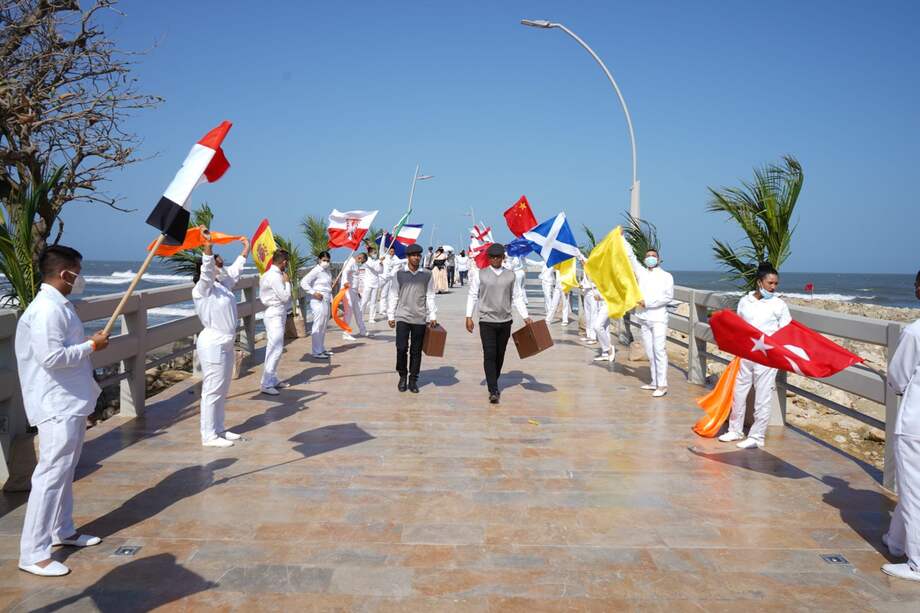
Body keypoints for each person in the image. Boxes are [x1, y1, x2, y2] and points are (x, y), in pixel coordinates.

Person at [16, 245, 110, 577]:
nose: (80, 279)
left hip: (69, 401)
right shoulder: (46, 310)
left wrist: (86, 345)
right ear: (64, 273)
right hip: (55, 404)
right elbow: (52, 358)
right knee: (50, 476)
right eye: (77, 273)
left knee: (65, 471)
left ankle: (63, 529)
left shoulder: (59, 306)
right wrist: (91, 346)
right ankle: (33, 552)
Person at [718, 262, 791, 449]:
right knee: (739, 392)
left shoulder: (779, 304)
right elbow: (739, 326)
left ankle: (757, 436)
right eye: (770, 283)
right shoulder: (745, 301)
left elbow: (787, 330)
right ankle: (735, 430)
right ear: (760, 282)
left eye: (776, 284)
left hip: (767, 357)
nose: (773, 287)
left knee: (763, 395)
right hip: (746, 354)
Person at [881, 271, 920, 582]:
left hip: (914, 425)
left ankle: (917, 561)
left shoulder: (914, 332)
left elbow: (897, 376)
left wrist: (895, 384)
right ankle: (896, 542)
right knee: (911, 487)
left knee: (913, 490)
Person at [466, 243, 532, 404]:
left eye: (498, 257)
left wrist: (525, 316)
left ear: (503, 258)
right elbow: (473, 295)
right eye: (492, 257)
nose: (495, 259)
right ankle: (493, 389)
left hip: (505, 321)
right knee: (489, 353)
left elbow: (516, 297)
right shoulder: (480, 274)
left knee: (499, 354)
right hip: (486, 320)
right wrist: (469, 316)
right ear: (489, 258)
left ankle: (493, 378)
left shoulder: (511, 275)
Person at [625, 242, 675, 397]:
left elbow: (668, 297)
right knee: (650, 351)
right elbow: (631, 256)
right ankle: (654, 381)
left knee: (659, 350)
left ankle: (663, 384)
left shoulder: (666, 276)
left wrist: (648, 303)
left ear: (658, 259)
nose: (650, 258)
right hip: (644, 318)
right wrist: (622, 239)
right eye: (648, 256)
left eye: (653, 256)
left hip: (659, 318)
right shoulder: (641, 273)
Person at [387, 244, 438, 393]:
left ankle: (413, 379)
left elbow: (430, 295)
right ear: (408, 257)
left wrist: (433, 315)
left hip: (420, 317)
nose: (416, 257)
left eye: (418, 255)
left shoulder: (427, 274)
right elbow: (393, 294)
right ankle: (402, 375)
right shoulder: (399, 274)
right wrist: (391, 315)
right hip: (402, 316)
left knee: (416, 351)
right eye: (413, 255)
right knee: (401, 348)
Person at [258, 249, 291, 395]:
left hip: (277, 313)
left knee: (275, 347)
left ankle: (271, 378)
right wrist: (287, 283)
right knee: (275, 348)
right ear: (283, 262)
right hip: (274, 314)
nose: (287, 265)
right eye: (287, 262)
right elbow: (285, 297)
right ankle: (266, 383)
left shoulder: (267, 274)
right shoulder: (275, 277)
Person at [300, 251, 333, 359]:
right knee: (318, 325)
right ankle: (316, 351)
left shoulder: (327, 271)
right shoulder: (316, 270)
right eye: (324, 260)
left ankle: (321, 348)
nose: (326, 262)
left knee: (323, 325)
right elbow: (303, 282)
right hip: (317, 300)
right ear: (319, 260)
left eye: (328, 260)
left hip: (327, 299)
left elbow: (328, 286)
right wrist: (313, 292)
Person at [341, 252, 369, 341]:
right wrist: (345, 281)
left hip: (354, 291)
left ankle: (363, 330)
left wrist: (358, 292)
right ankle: (345, 332)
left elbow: (356, 278)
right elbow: (345, 272)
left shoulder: (356, 264)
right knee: (348, 311)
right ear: (360, 257)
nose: (361, 263)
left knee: (358, 311)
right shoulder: (350, 262)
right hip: (347, 290)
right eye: (362, 261)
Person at [362, 247, 383, 322]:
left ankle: (371, 318)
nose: (375, 254)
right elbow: (375, 268)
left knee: (374, 302)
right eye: (374, 253)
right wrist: (379, 263)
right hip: (368, 283)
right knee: (364, 300)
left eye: (376, 252)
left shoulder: (377, 261)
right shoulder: (367, 261)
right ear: (369, 254)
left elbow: (381, 271)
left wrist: (380, 264)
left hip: (375, 283)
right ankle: (360, 316)